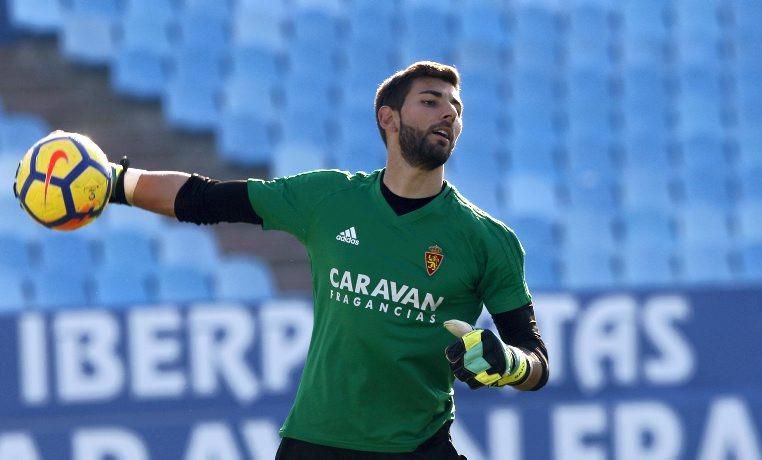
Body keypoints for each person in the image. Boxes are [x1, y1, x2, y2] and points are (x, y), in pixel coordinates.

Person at [107, 61, 549, 459]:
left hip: (416, 447)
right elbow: (204, 199)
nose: (449, 113)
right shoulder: (327, 198)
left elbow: (536, 361)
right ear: (388, 118)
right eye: (431, 102)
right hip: (315, 444)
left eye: (456, 107)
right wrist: (116, 183)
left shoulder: (488, 240)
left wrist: (507, 362)